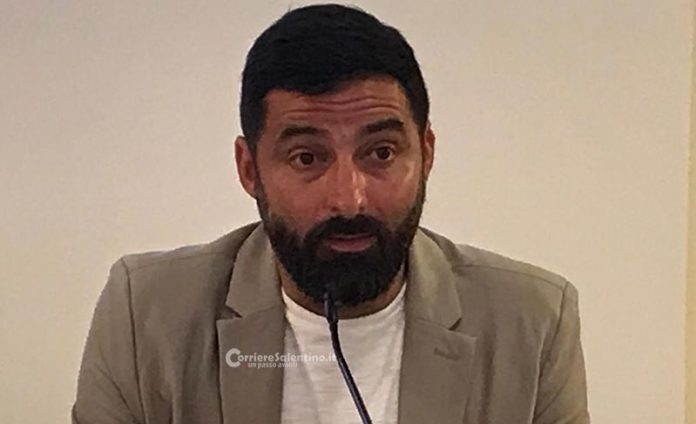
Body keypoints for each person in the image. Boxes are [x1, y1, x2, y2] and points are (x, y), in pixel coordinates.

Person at [72, 4, 590, 424]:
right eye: (307, 157)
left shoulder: (533, 321)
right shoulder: (146, 315)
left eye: (381, 153)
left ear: (426, 154)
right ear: (250, 169)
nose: (349, 199)